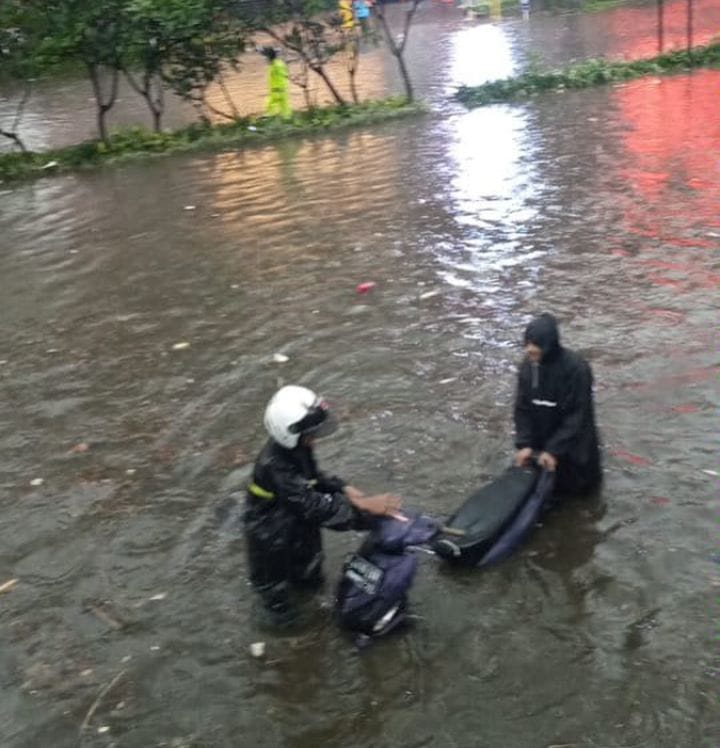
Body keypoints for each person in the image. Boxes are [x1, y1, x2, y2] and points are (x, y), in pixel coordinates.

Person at [244, 385, 403, 626]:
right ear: (290, 433)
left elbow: (312, 477)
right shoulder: (274, 465)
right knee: (276, 596)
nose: (314, 441)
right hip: (271, 535)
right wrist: (364, 511)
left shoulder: (297, 448)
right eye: (310, 435)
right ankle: (292, 639)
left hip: (298, 525)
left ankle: (314, 609)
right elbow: (314, 507)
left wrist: (343, 488)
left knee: (310, 575)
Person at [513, 313, 601, 496]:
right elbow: (522, 409)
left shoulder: (577, 369)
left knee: (579, 496)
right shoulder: (527, 368)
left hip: (575, 451)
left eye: (535, 344)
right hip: (542, 445)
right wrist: (525, 444)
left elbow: (577, 416)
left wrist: (554, 450)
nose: (529, 349)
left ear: (548, 344)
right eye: (527, 343)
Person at [262, 47, 292, 120]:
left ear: (270, 57)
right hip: (282, 89)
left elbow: (282, 76)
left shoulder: (276, 66)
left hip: (277, 90)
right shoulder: (279, 63)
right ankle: (287, 121)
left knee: (271, 107)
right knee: (285, 108)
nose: (266, 59)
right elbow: (286, 75)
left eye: (267, 57)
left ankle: (268, 120)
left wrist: (277, 89)